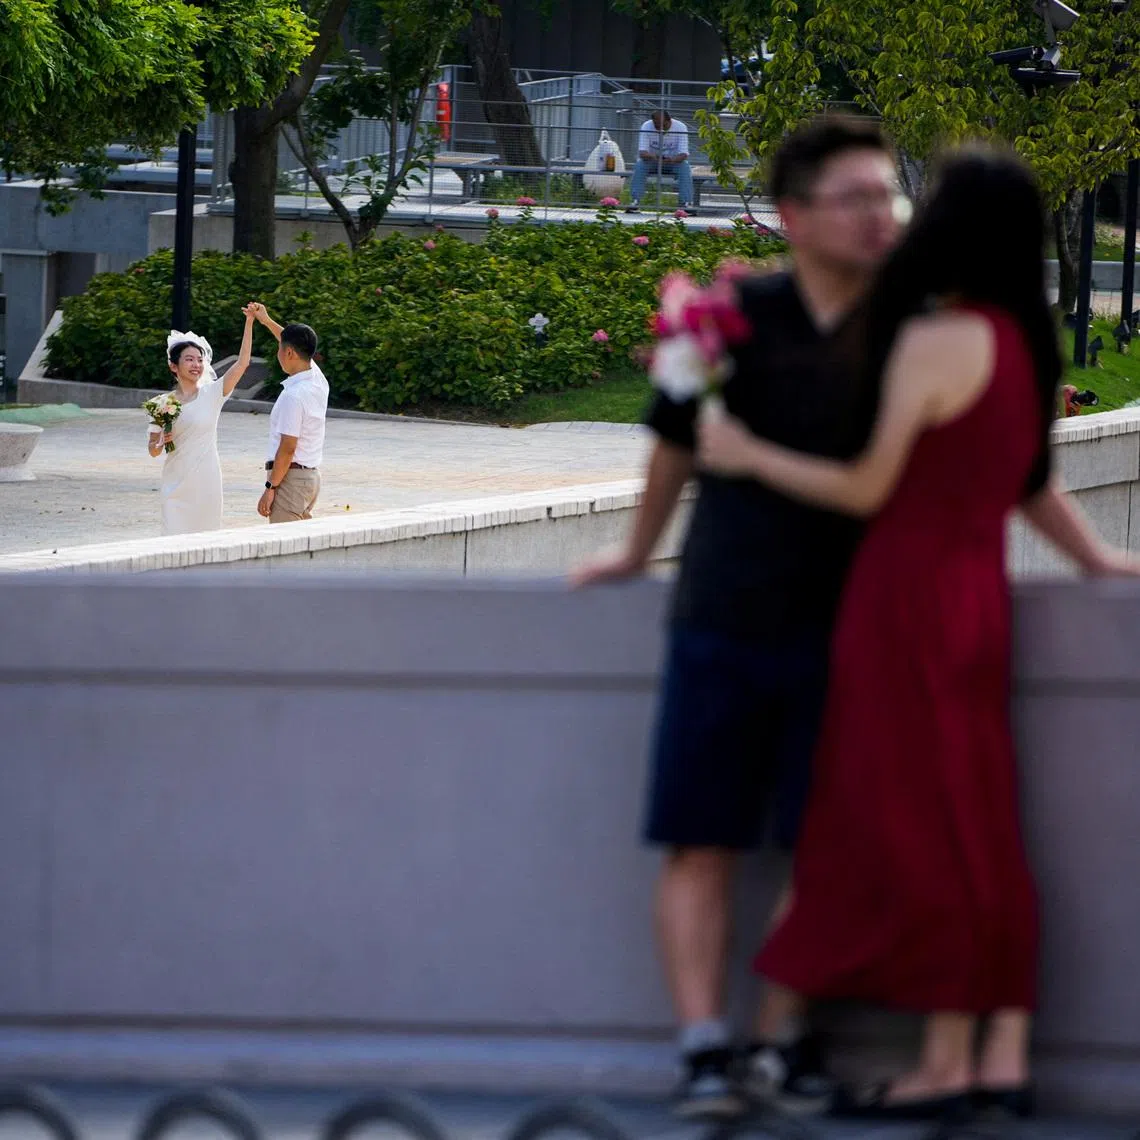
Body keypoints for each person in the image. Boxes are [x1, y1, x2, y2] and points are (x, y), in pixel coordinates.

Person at [697, 145, 1139, 1122]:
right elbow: (1028, 485)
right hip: (977, 599)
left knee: (910, 827)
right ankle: (1000, 1051)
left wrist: (744, 449)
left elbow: (866, 489)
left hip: (901, 602)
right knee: (981, 820)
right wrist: (1105, 564)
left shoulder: (934, 342)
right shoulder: (1027, 344)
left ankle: (942, 1058)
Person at [574, 117, 907, 1119]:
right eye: (855, 198)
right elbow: (674, 445)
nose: (878, 217)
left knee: (829, 845)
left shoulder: (905, 329)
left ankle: (777, 1042)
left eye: (888, 196)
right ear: (796, 216)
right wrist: (635, 554)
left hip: (851, 624)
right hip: (722, 609)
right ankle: (705, 1051)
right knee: (702, 838)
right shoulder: (732, 317)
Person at [148, 307, 257, 535]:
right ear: (173, 366)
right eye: (189, 359)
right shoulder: (161, 403)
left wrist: (249, 323)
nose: (196, 365)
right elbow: (154, 450)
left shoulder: (213, 394)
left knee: (205, 538)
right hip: (175, 482)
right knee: (173, 540)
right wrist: (160, 442)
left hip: (206, 480)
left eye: (199, 360)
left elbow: (242, 364)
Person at [246, 304, 329, 523]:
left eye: (280, 348)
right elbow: (290, 340)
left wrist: (270, 487)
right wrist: (266, 320)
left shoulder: (294, 396)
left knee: (284, 550)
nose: (278, 352)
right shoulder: (318, 380)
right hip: (309, 478)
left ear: (289, 352)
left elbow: (288, 448)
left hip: (290, 481)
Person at [627, 110, 696, 215]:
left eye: (663, 125)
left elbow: (684, 154)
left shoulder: (680, 127)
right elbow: (642, 153)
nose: (660, 128)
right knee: (640, 165)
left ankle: (686, 203)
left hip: (673, 162)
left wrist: (672, 160)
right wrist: (653, 157)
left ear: (669, 121)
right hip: (652, 161)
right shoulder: (646, 126)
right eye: (656, 125)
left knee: (685, 167)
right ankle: (635, 202)